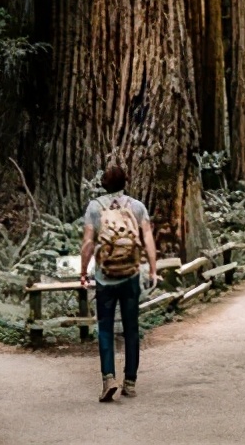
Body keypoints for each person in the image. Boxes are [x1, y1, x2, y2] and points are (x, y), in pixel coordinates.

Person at [80, 163, 159, 402]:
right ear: (126, 182)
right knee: (131, 328)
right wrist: (153, 270)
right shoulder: (136, 207)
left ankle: (108, 378)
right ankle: (130, 382)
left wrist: (83, 272)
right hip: (130, 276)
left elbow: (88, 244)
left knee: (105, 329)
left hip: (105, 277)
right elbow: (147, 239)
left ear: (103, 184)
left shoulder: (95, 207)